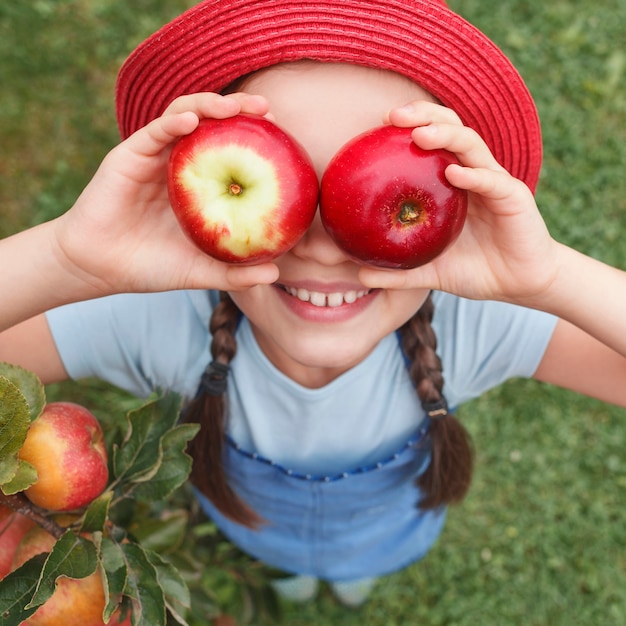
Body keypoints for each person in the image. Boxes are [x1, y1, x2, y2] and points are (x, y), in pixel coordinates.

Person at [1, 0, 625, 608]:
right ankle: (295, 578)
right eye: (296, 192)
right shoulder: (156, 319)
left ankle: (349, 583)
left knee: (357, 577)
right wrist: (65, 260)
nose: (325, 250)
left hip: (385, 539)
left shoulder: (477, 327)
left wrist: (547, 278)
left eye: (360, 199)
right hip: (256, 530)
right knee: (286, 570)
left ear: (452, 211)